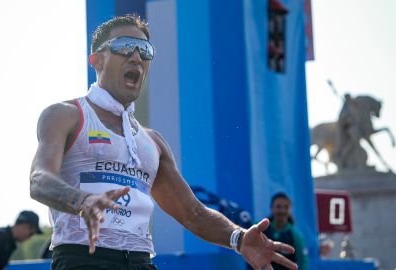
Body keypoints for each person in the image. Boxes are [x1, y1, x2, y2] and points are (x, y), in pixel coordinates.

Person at [30, 14, 298, 270]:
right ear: (97, 60)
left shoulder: (153, 142)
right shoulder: (66, 115)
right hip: (83, 259)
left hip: (140, 261)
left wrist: (238, 238)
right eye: (125, 47)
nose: (136, 57)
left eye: (144, 50)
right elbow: (39, 180)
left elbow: (193, 213)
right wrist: (80, 200)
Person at [263, 193, 308, 270]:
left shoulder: (295, 235)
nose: (282, 210)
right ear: (271, 208)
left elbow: (303, 263)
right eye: (278, 206)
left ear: (290, 209)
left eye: (286, 207)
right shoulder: (261, 229)